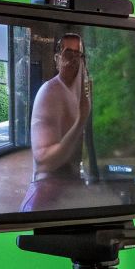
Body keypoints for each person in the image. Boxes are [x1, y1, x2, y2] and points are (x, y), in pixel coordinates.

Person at [22, 32, 90, 212]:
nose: (74, 60)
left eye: (79, 55)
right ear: (57, 59)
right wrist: (81, 120)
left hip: (72, 187)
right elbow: (44, 160)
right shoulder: (49, 93)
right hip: (47, 192)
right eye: (68, 54)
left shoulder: (80, 92)